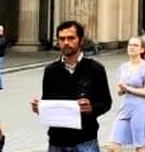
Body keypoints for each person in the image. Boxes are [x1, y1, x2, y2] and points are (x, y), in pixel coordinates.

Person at [30, 20, 114, 152]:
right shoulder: (51, 70)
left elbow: (106, 102)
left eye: (71, 38)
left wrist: (91, 108)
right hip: (57, 142)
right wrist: (39, 107)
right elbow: (47, 100)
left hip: (85, 140)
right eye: (62, 39)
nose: (66, 42)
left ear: (81, 40)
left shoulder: (95, 69)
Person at [111, 36, 145, 152]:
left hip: (139, 108)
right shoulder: (123, 67)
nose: (131, 47)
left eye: (135, 45)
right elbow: (119, 92)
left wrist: (127, 88)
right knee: (113, 146)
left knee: (139, 146)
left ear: (142, 50)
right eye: (130, 45)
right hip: (125, 107)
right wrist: (122, 89)